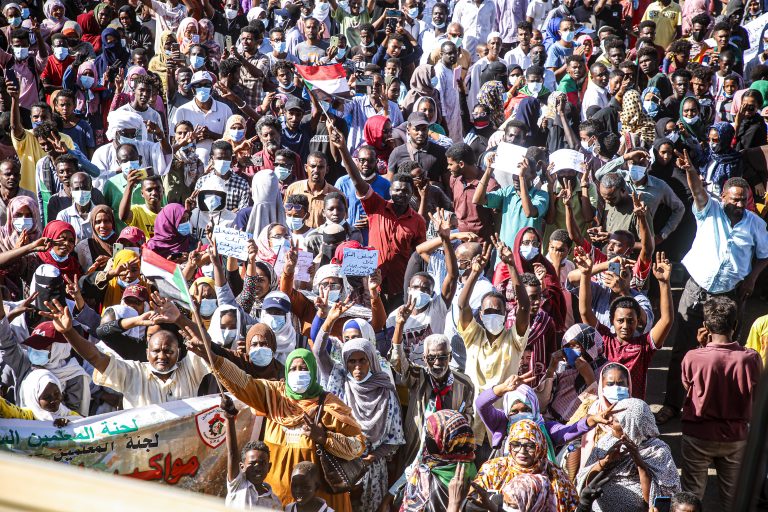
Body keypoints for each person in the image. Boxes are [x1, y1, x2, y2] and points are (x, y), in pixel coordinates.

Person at [193, 341, 365, 511]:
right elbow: (243, 382)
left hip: (320, 503)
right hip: (276, 502)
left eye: (304, 368)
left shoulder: (330, 406)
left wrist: (324, 437)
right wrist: (213, 359)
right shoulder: (274, 397)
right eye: (293, 368)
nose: (298, 373)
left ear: (313, 372)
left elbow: (358, 447)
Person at [313, 306, 403, 512]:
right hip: (341, 464)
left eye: (362, 360)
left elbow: (395, 439)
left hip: (372, 468)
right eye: (352, 361)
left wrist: (372, 457)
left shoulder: (385, 391)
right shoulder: (339, 379)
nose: (357, 366)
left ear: (371, 360)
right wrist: (329, 320)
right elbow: (318, 351)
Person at [679, 296, 762, 509]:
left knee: (692, 495)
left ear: (705, 326)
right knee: (733, 498)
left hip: (697, 435)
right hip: (735, 437)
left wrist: (700, 346)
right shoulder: (751, 358)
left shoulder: (692, 356)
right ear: (735, 325)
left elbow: (690, 388)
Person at [577, 250, 674, 399]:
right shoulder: (604, 340)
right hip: (603, 411)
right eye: (620, 321)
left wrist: (664, 283)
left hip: (632, 411)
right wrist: (585, 274)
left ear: (637, 323)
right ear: (611, 321)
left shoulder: (644, 346)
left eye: (631, 321)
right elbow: (584, 311)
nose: (625, 325)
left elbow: (666, 320)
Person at [576, 399, 681, 511]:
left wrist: (639, 463)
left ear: (631, 425)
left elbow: (654, 503)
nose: (609, 422)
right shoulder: (606, 442)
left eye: (616, 420)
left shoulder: (658, 452)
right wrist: (605, 461)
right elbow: (586, 485)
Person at [470, 419, 579, 511]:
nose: (522, 451)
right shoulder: (493, 469)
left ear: (540, 446)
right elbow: (473, 501)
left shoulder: (556, 476)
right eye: (516, 445)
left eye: (530, 446)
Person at [401, 409, 477, 512]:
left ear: (448, 441)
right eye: (427, 432)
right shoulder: (429, 456)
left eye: (432, 435)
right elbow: (409, 473)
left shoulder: (462, 477)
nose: (427, 437)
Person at [221, 394, 283, 510]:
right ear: (242, 466)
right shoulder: (238, 485)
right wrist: (229, 418)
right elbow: (232, 452)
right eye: (252, 463)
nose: (257, 467)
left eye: (262, 463)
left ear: (269, 467)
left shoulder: (275, 503)